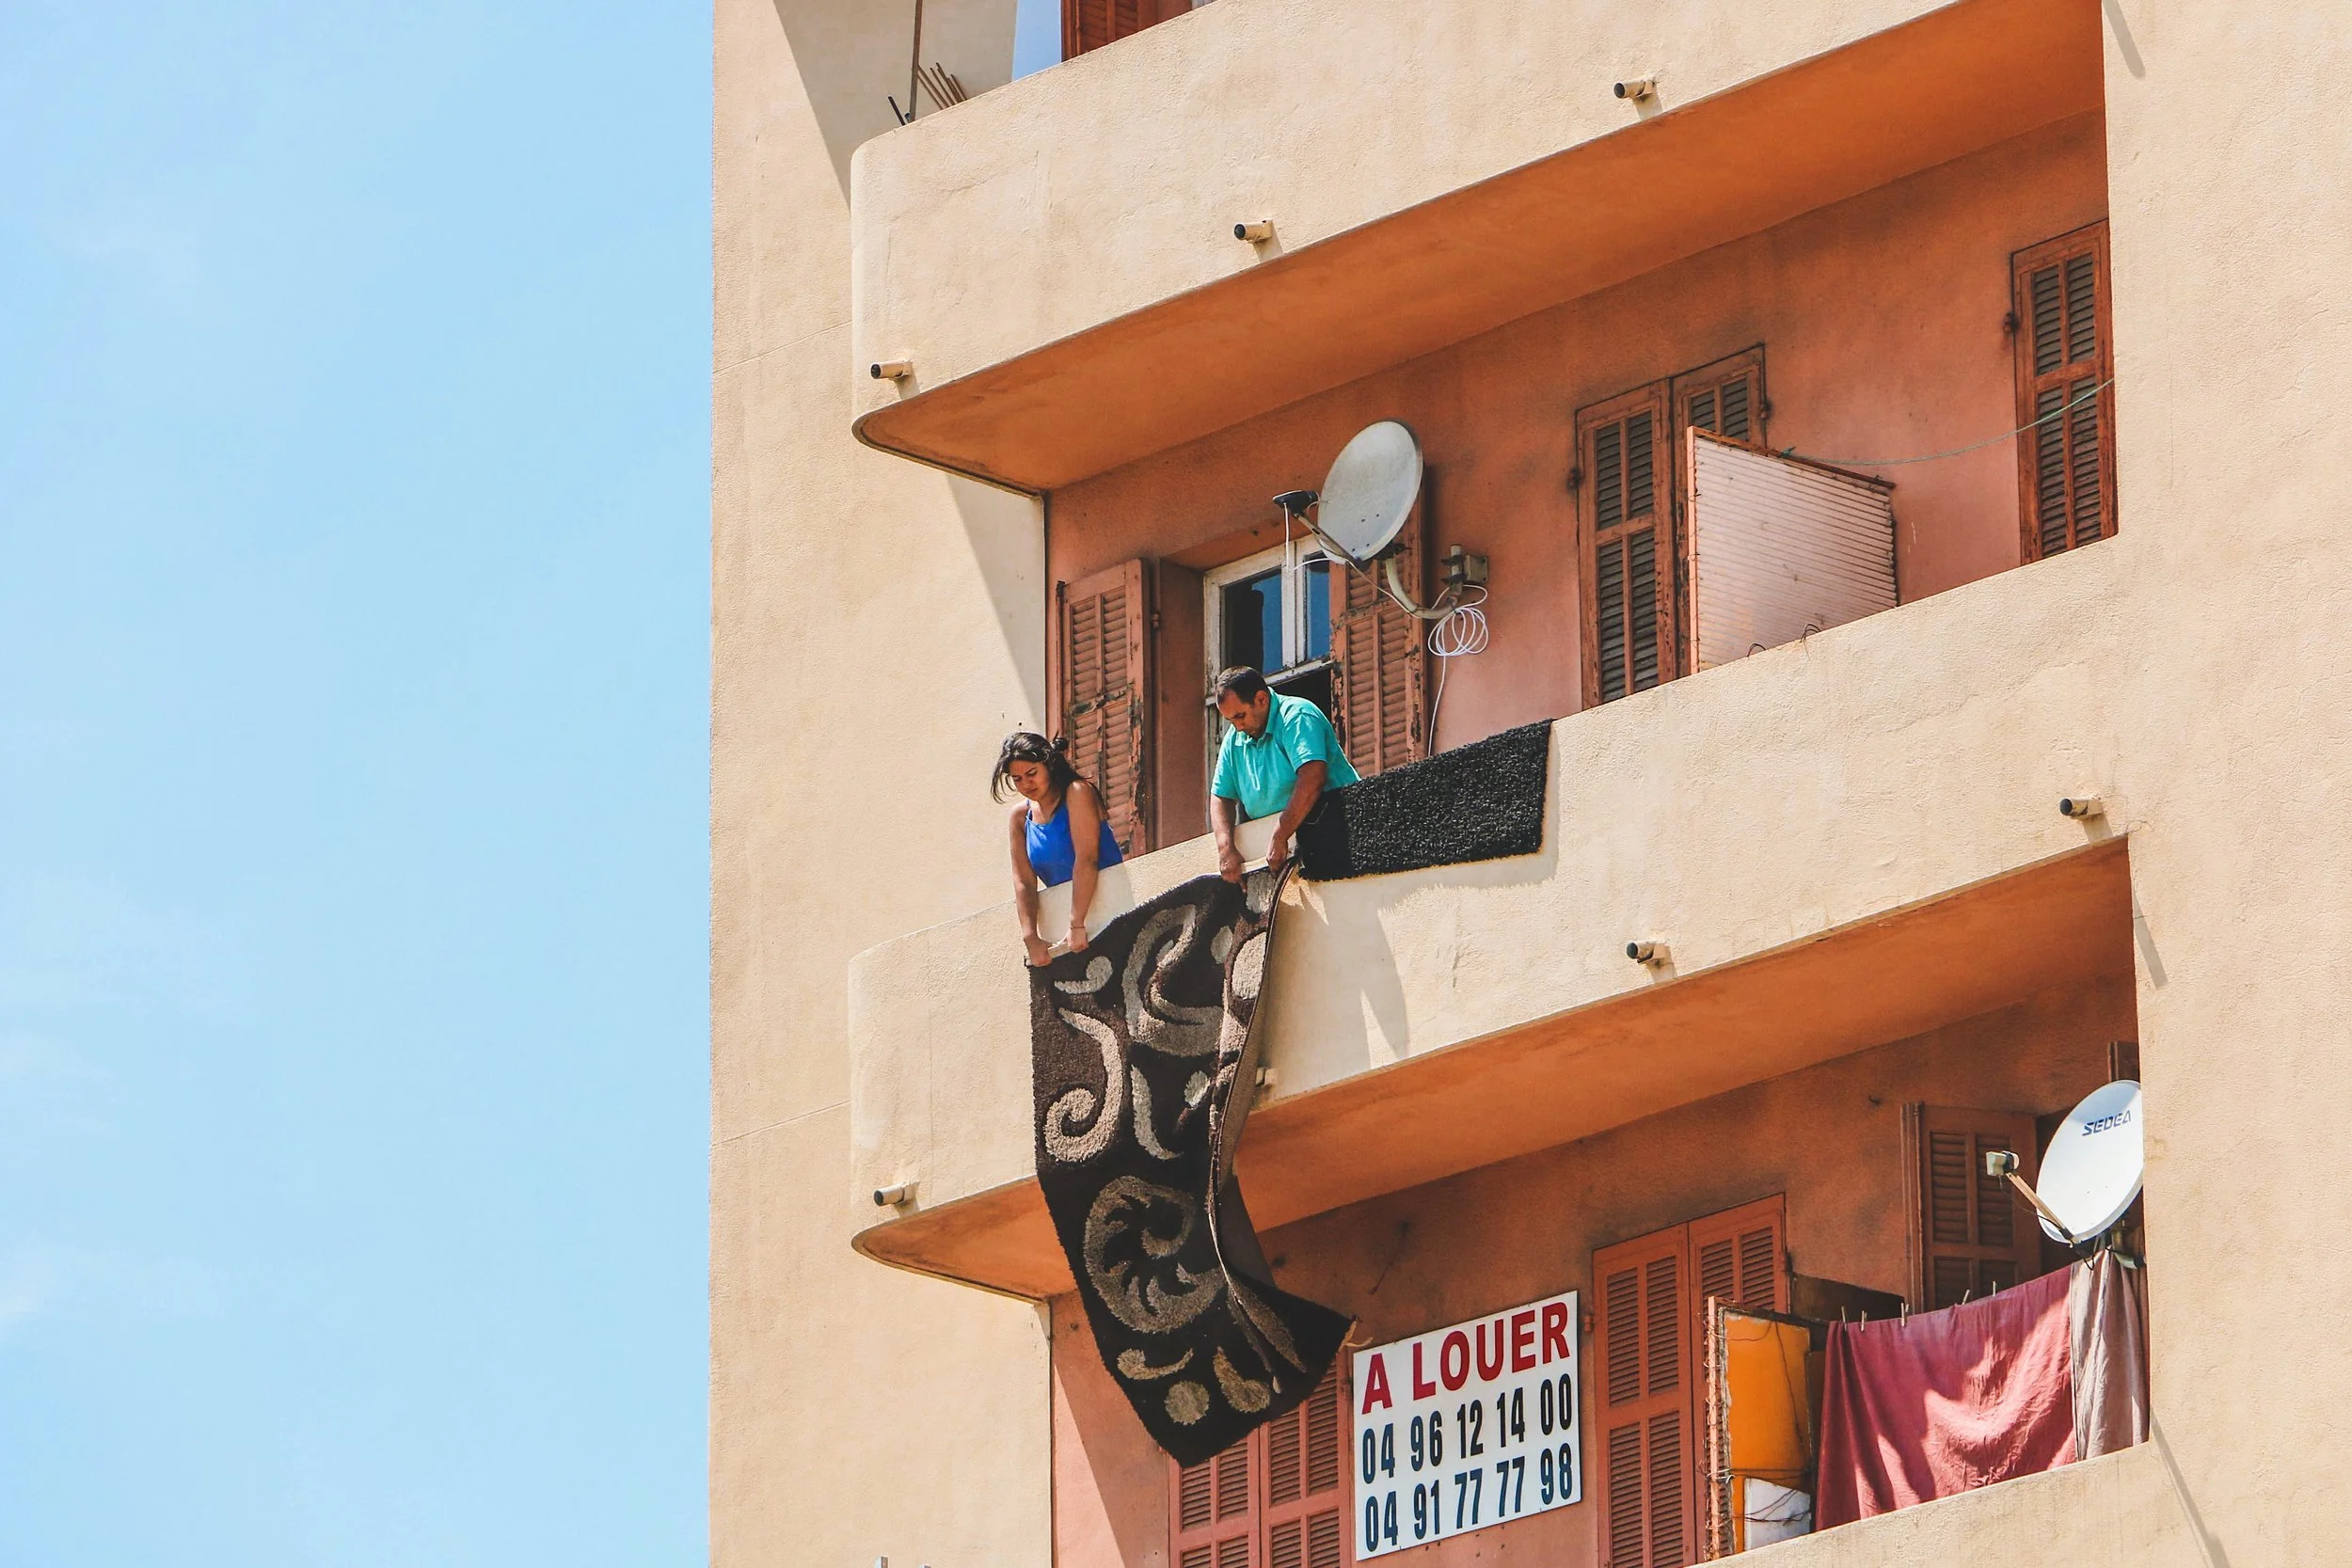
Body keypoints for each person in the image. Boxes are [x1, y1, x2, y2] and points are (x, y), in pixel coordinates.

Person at [1209, 666, 1359, 882]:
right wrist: (1225, 848)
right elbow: (1220, 796)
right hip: (1289, 847)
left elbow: (1312, 777)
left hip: (1342, 831)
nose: (1238, 727)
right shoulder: (1234, 738)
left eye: (1240, 716)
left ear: (1261, 699)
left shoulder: (1297, 715)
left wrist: (1281, 834)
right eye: (1231, 721)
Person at [994, 731, 1124, 967]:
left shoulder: (1077, 792)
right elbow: (1023, 882)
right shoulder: (1020, 818)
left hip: (1110, 909)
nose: (1026, 784)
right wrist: (1031, 937)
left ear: (1049, 765)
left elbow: (1086, 859)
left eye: (1032, 773)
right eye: (1017, 779)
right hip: (1066, 927)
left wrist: (1077, 923)